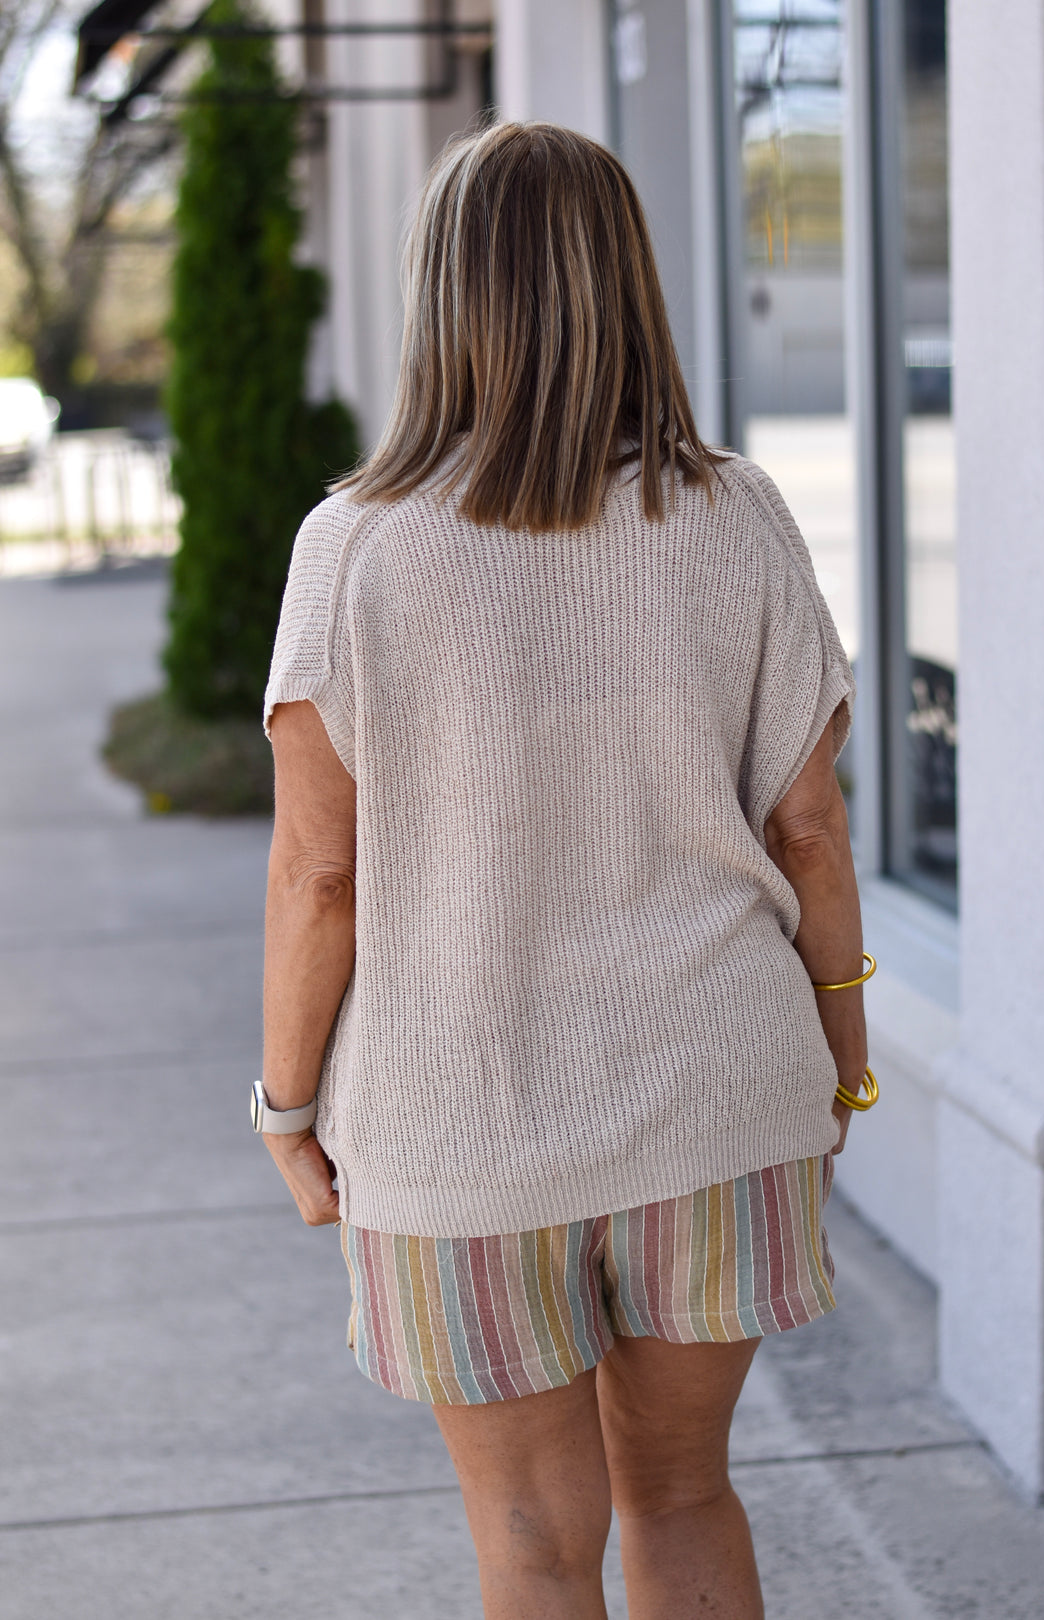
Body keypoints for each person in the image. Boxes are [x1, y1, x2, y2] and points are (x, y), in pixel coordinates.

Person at [256, 121, 871, 1620]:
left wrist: (286, 1109)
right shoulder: (736, 516)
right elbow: (811, 830)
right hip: (719, 1096)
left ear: (442, 294)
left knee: (532, 1545)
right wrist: (838, 1065)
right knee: (686, 1493)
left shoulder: (358, 549)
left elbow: (317, 880)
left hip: (463, 1130)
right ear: (630, 281)